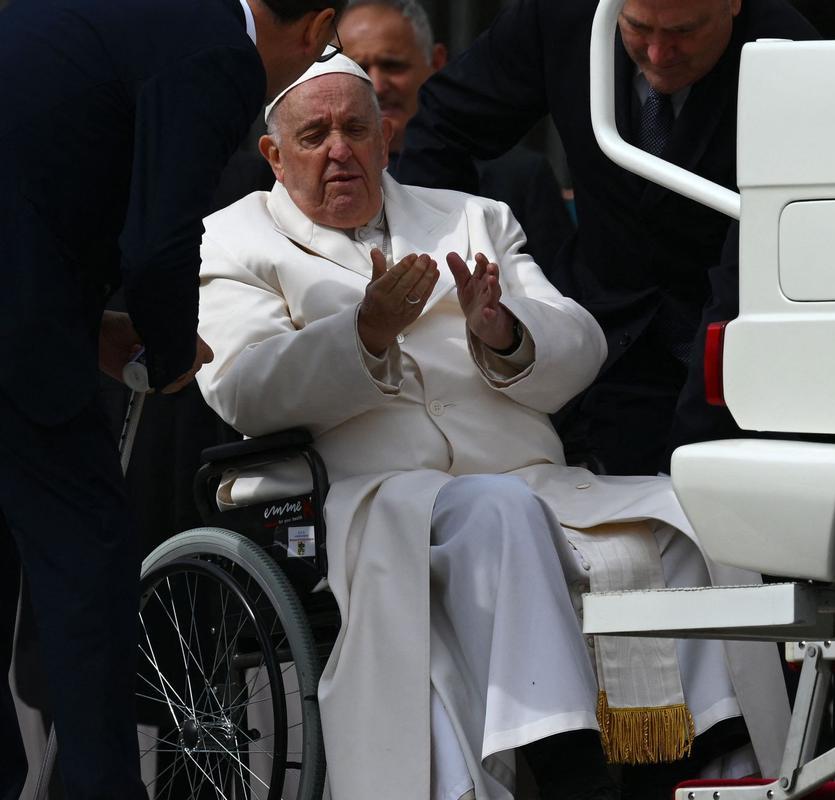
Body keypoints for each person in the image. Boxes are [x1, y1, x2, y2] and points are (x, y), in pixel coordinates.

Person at [196, 56, 789, 800]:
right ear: (274, 157)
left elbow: (582, 343)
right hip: (371, 498)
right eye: (314, 135)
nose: (339, 150)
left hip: (529, 479)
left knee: (686, 513)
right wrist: (364, 334)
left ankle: (710, 755)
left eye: (355, 129)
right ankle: (569, 761)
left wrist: (505, 329)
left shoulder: (473, 217)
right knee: (497, 514)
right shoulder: (231, 241)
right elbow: (243, 388)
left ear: (387, 140)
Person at [0, 0, 341, 797]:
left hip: (29, 293)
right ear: (318, 26)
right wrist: (166, 345)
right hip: (20, 310)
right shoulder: (218, 52)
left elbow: (43, 170)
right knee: (89, 556)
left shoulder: (135, 15)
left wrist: (94, 333)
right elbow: (158, 233)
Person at [393, 0, 819, 475]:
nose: (659, 53)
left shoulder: (791, 55)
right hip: (604, 341)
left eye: (684, 31)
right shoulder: (562, 16)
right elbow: (444, 125)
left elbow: (758, 258)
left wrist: (700, 441)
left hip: (735, 352)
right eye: (638, 28)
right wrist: (450, 276)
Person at [339, 0, 574, 272]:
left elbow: (560, 302)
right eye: (359, 69)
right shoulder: (320, 183)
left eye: (393, 66)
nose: (377, 86)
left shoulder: (521, 177)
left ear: (437, 61)